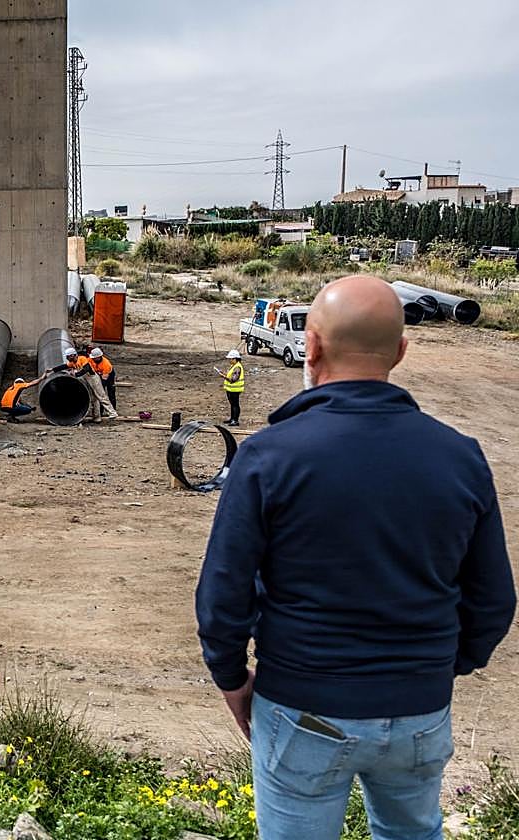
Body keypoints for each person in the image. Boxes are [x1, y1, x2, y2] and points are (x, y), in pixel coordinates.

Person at [195, 275, 514, 840]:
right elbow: (493, 601)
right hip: (419, 708)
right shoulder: (461, 457)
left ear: (311, 346)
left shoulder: (268, 457)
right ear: (400, 351)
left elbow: (224, 592)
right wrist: (435, 668)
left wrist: (230, 677)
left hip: (302, 706)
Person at [65, 348, 118, 423]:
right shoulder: (84, 360)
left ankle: (112, 412)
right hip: (91, 378)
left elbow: (87, 369)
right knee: (93, 399)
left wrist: (99, 386)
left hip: (102, 377)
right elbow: (64, 366)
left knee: (103, 395)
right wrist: (52, 370)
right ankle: (97, 417)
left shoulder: (106, 364)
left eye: (68, 356)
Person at [217, 349, 244, 426]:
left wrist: (223, 376)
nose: (229, 360)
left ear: (235, 359)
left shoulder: (237, 367)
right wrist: (224, 374)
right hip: (231, 389)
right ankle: (232, 419)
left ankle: (235, 420)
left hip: (235, 390)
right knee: (233, 404)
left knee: (235, 405)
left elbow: (233, 379)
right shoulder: (234, 366)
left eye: (230, 359)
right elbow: (231, 376)